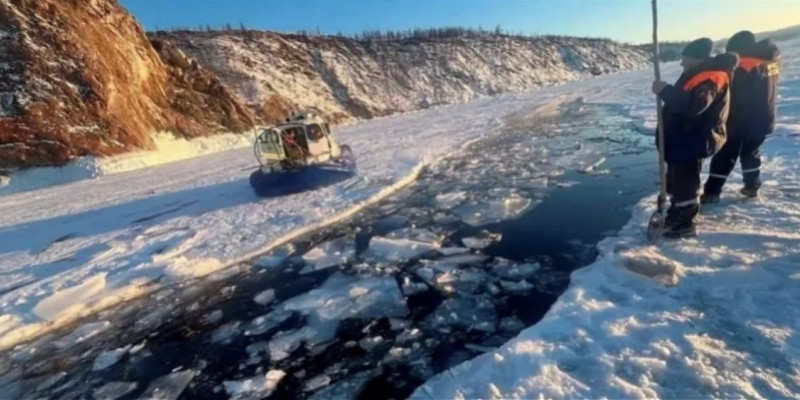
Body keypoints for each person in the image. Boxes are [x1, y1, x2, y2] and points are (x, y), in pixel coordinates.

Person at [652, 38, 739, 238]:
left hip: (693, 139)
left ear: (696, 59)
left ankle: (685, 223)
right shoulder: (697, 74)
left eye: (685, 59)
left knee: (685, 182)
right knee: (675, 179)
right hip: (684, 138)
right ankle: (677, 212)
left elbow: (694, 105)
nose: (682, 63)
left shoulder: (710, 78)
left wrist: (665, 90)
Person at [701, 31, 781, 203]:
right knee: (750, 151)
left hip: (741, 119)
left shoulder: (744, 65)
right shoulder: (770, 61)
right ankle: (752, 186)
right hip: (764, 117)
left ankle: (712, 192)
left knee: (725, 154)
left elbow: (739, 96)